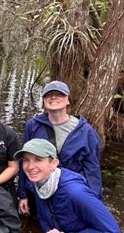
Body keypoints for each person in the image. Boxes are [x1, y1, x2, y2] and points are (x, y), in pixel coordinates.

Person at [18, 80, 102, 216]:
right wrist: (22, 194)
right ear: (44, 100)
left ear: (68, 100)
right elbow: (25, 160)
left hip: (68, 191)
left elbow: (92, 169)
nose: (53, 97)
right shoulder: (33, 126)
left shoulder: (85, 131)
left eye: (59, 94)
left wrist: (94, 202)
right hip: (38, 190)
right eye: (49, 95)